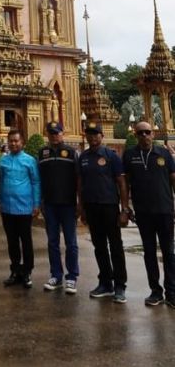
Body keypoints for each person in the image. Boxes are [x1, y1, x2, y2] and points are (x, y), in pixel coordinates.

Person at [124, 120, 175, 308]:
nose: (144, 136)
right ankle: (155, 291)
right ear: (135, 135)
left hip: (165, 210)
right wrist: (126, 208)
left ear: (153, 134)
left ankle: (172, 291)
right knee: (149, 252)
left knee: (169, 252)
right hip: (143, 212)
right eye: (140, 133)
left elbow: (173, 179)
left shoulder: (164, 154)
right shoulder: (130, 155)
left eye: (147, 132)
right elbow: (125, 184)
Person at [78, 122, 129, 304]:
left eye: (95, 134)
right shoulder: (83, 157)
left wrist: (125, 209)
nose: (92, 137)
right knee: (99, 247)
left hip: (109, 206)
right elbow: (80, 184)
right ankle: (105, 282)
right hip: (92, 206)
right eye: (89, 134)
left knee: (115, 246)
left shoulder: (111, 156)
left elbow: (121, 183)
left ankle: (120, 285)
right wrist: (81, 207)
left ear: (101, 135)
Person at [38, 121, 79, 294]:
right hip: (50, 203)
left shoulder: (71, 153)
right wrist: (40, 202)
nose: (54, 136)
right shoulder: (42, 153)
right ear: (47, 134)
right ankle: (56, 275)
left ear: (62, 133)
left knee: (71, 242)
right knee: (53, 242)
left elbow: (78, 179)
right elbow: (38, 179)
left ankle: (72, 276)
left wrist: (79, 202)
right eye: (51, 133)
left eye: (57, 133)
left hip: (68, 204)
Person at [0, 128, 41, 289]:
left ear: (22, 143)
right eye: (11, 141)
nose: (13, 143)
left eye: (16, 141)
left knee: (26, 241)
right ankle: (15, 270)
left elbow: (36, 182)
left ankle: (27, 271)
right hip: (7, 207)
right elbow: (0, 182)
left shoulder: (30, 160)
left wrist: (36, 204)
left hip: (24, 206)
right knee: (12, 241)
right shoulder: (3, 160)